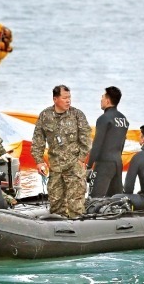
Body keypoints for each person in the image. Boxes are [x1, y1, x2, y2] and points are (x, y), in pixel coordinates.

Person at [31, 85, 91, 218]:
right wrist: (39, 161)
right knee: (56, 205)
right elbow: (38, 140)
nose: (68, 100)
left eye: (69, 97)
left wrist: (81, 159)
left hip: (74, 167)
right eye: (64, 98)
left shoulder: (77, 115)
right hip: (55, 168)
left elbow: (86, 139)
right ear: (55, 99)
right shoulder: (45, 116)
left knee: (76, 206)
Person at [87, 86, 129, 197]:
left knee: (94, 199)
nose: (101, 100)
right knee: (115, 199)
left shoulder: (104, 118)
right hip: (117, 163)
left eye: (102, 97)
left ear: (108, 100)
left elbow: (97, 144)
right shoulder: (124, 120)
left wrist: (88, 166)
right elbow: (122, 144)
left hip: (104, 164)